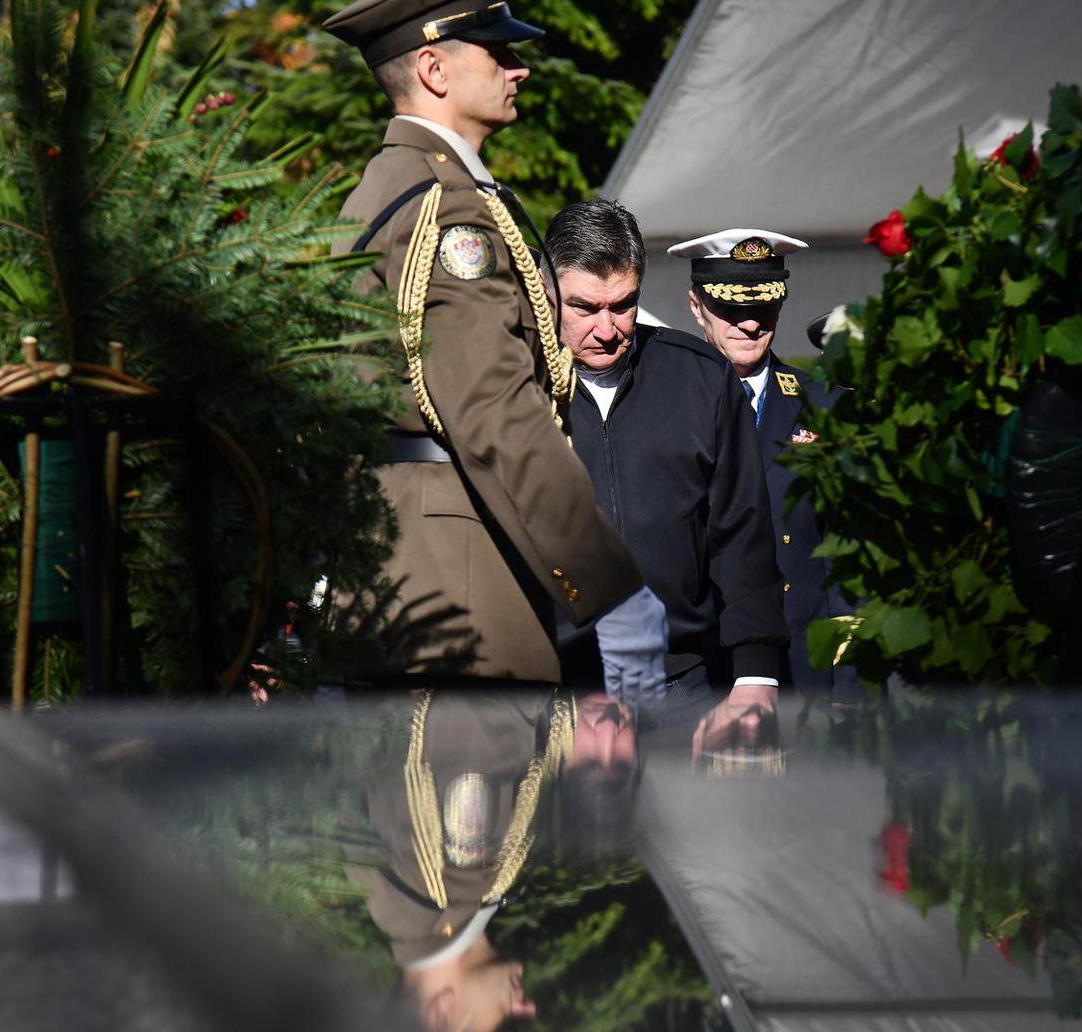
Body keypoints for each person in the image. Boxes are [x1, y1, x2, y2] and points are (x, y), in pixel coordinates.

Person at [322, 0, 665, 704]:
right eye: (497, 54)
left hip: (410, 575)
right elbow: (494, 411)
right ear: (432, 67)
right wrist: (610, 587)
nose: (521, 68)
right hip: (460, 597)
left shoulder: (389, 189)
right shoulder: (446, 207)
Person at [542, 199, 788, 725]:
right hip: (553, 690)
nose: (607, 329)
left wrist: (756, 672)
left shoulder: (701, 379)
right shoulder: (514, 388)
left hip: (683, 685)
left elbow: (742, 534)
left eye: (624, 305)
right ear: (546, 291)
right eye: (585, 308)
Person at [348, 688, 639, 1032]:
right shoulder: (414, 904)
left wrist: (580, 724)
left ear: (440, 1016)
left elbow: (481, 700)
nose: (526, 1007)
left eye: (508, 1024)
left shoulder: (448, 882)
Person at [668, 229, 860, 698]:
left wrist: (851, 686)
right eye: (731, 309)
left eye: (763, 309)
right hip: (704, 672)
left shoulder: (823, 405)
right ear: (696, 306)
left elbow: (848, 561)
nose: (749, 325)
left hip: (804, 667)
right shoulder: (666, 405)